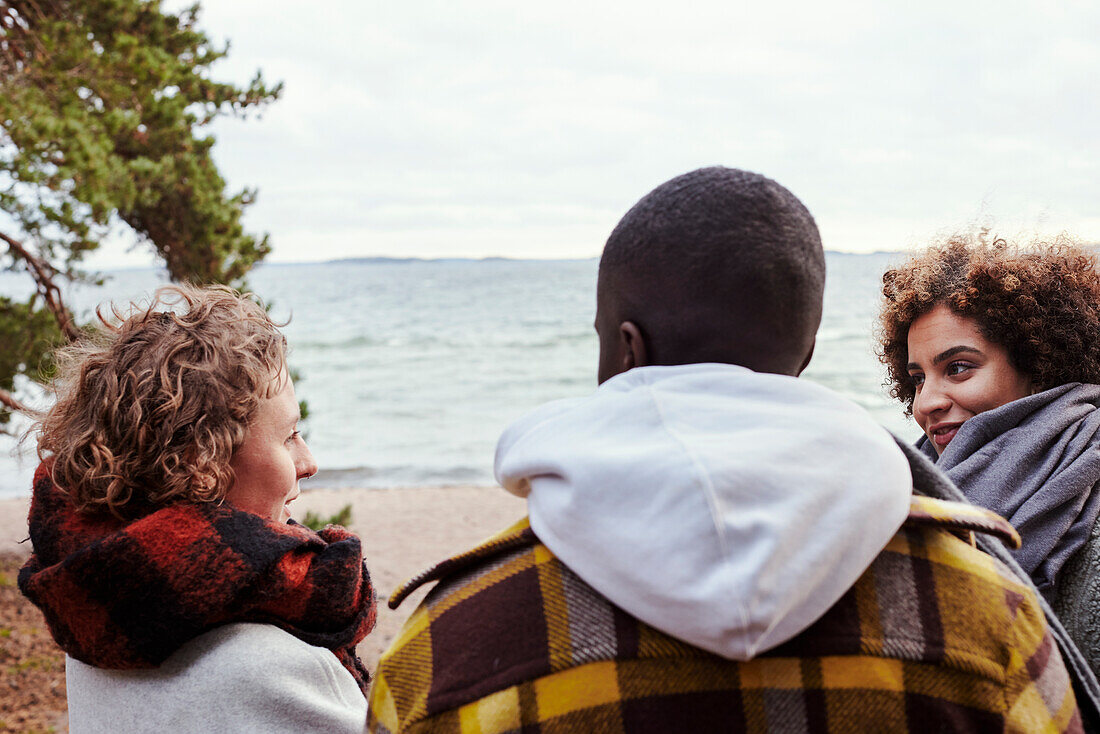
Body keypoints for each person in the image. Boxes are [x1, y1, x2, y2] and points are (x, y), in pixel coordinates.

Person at [367, 168, 1085, 732]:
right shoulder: (989, 616)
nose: (930, 397)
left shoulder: (446, 646)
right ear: (803, 355)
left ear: (626, 348)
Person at [18, 285, 377, 733]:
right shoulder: (276, 669)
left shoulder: (97, 607)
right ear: (201, 463)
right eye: (288, 436)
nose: (308, 463)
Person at [879, 234, 1100, 678]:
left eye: (957, 367)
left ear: (1039, 368)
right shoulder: (916, 489)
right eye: (918, 378)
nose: (925, 404)